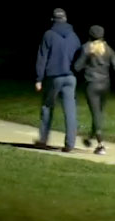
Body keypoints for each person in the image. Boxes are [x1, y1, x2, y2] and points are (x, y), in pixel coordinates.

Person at [73, 25, 115, 155]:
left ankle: (101, 145)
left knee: (96, 114)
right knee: (99, 113)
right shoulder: (108, 49)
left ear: (90, 35)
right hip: (105, 85)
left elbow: (77, 67)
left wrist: (85, 59)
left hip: (92, 85)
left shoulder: (86, 48)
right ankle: (90, 137)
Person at [35, 8, 82, 152]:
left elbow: (42, 57)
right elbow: (80, 57)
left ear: (53, 20)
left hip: (54, 76)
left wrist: (39, 78)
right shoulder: (74, 36)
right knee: (70, 110)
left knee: (47, 106)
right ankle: (70, 144)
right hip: (70, 77)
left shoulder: (48, 35)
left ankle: (43, 140)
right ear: (66, 19)